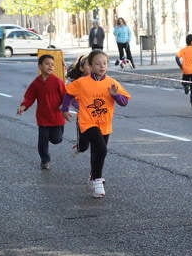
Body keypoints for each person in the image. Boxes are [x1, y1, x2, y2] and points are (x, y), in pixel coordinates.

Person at [61, 49, 131, 198]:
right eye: (98, 64)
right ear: (91, 66)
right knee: (102, 149)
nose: (102, 66)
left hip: (104, 124)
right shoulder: (82, 83)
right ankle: (97, 180)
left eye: (104, 63)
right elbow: (69, 94)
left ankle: (93, 177)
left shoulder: (112, 83)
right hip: (87, 122)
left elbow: (124, 102)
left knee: (97, 153)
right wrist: (65, 109)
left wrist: (115, 95)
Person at [17, 54, 68, 170]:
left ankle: (52, 136)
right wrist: (23, 107)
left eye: (52, 65)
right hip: (43, 118)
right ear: (40, 66)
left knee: (57, 139)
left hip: (57, 117)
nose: (50, 66)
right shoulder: (36, 83)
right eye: (47, 64)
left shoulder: (57, 81)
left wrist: (64, 106)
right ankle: (45, 160)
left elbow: (66, 96)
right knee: (42, 142)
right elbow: (29, 97)